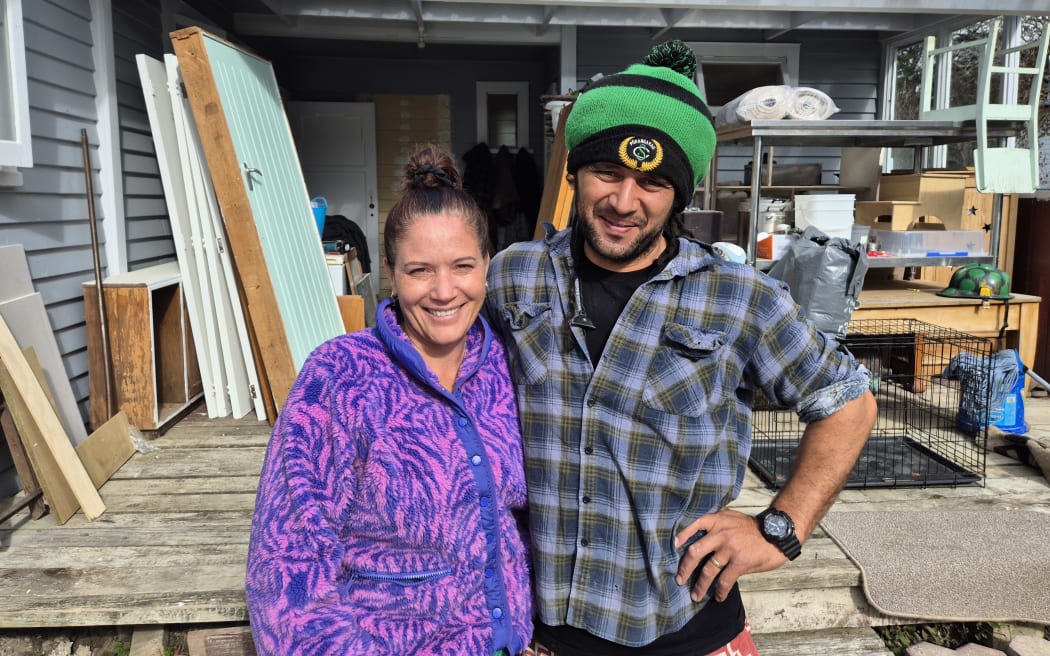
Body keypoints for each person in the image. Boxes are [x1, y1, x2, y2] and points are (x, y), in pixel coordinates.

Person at [484, 40, 877, 655]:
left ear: (681, 193)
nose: (623, 202)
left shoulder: (740, 299)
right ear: (574, 172)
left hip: (683, 629)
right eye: (607, 173)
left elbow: (848, 403)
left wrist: (781, 528)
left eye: (652, 182)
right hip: (535, 631)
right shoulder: (515, 277)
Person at [246, 145, 533, 655]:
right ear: (391, 270)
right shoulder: (342, 377)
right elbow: (287, 561)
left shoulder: (506, 365)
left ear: (487, 264)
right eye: (420, 270)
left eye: (463, 265)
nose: (444, 291)